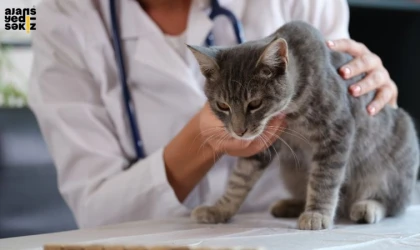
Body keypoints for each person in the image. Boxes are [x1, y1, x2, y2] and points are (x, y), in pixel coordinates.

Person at [29, 0, 398, 228]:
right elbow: (96, 214)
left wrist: (374, 93)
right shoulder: (65, 20)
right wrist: (202, 139)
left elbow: (345, 124)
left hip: (288, 232)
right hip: (155, 235)